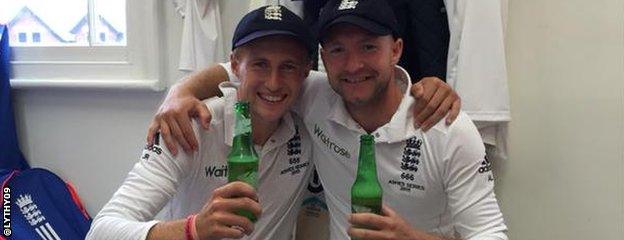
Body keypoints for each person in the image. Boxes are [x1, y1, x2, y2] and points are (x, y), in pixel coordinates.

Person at [146, 0, 509, 239]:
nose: (353, 65)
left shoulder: (446, 126)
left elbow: (492, 235)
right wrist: (181, 91)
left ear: (395, 49)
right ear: (320, 59)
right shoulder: (314, 93)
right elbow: (247, 70)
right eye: (338, 50)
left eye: (368, 47)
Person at [86, 6, 316, 240]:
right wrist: (194, 229)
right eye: (260, 64)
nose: (274, 83)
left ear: (306, 71)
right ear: (235, 65)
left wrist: (184, 88)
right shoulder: (189, 126)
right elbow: (101, 232)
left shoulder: (310, 119)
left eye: (288, 66)